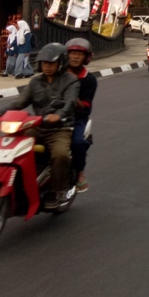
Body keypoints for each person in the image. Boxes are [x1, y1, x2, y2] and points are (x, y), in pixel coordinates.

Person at [0, 42, 79, 207]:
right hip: (37, 125)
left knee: (60, 155)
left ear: (61, 63)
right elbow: (19, 103)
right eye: (44, 63)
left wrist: (58, 115)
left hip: (60, 128)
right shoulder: (35, 82)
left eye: (51, 63)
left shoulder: (71, 81)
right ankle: (16, 181)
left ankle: (58, 190)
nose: (47, 66)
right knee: (11, 145)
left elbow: (70, 102)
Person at [65, 37, 97, 193]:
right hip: (53, 116)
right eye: (72, 53)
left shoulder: (89, 80)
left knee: (77, 143)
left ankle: (79, 173)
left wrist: (73, 98)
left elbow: (85, 107)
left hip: (76, 118)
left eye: (79, 54)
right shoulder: (58, 74)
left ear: (86, 57)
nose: (76, 57)